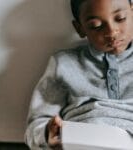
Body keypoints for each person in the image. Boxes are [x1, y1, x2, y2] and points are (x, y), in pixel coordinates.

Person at [25, 0, 133, 149]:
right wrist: (46, 134)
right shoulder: (64, 64)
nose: (111, 32)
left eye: (120, 18)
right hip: (81, 141)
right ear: (80, 28)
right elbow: (37, 123)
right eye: (96, 26)